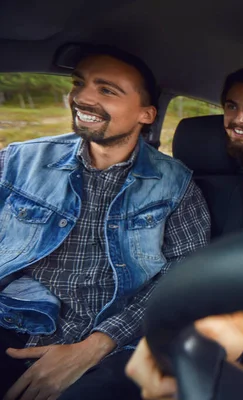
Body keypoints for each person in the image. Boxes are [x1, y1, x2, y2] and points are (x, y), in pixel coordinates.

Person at [0, 45, 210, 400]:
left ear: (146, 114)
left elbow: (186, 279)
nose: (82, 97)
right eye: (79, 83)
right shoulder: (18, 162)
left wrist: (96, 345)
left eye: (106, 90)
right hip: (15, 318)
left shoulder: (177, 185)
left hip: (116, 341)